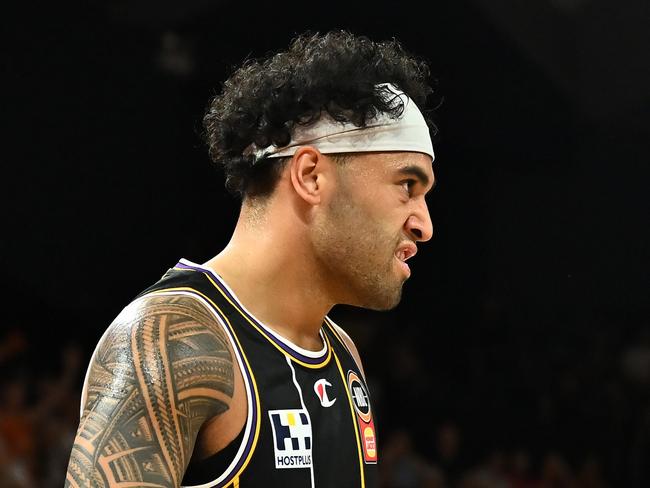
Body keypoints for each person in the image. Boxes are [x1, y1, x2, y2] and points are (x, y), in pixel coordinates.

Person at [65, 29, 439, 488]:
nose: (424, 224)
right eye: (407, 186)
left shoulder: (344, 357)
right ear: (311, 176)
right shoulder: (171, 342)